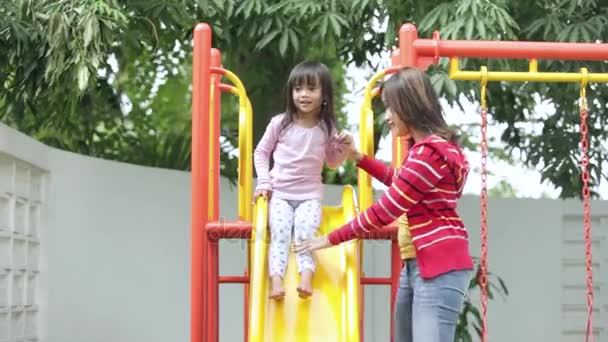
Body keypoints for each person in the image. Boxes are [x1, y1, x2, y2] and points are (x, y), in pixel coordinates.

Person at [294, 66, 474, 341]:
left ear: (409, 106)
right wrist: (359, 158)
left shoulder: (429, 153)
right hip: (417, 263)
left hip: (438, 266)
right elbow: (401, 181)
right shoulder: (426, 152)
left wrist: (329, 239)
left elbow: (385, 210)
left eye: (391, 108)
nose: (387, 117)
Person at [253, 61, 348, 300]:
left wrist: (344, 147)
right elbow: (261, 153)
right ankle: (276, 281)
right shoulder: (280, 124)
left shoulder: (327, 128)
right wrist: (264, 181)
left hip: (309, 196)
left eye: (311, 89)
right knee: (280, 233)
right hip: (281, 193)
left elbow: (333, 162)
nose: (303, 94)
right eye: (297, 89)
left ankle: (306, 277)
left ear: (324, 95)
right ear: (291, 92)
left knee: (305, 233)